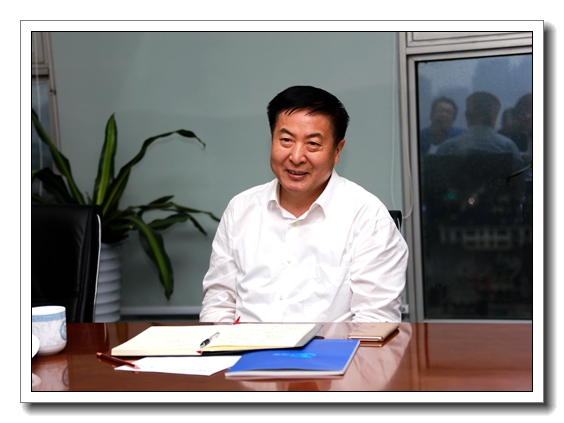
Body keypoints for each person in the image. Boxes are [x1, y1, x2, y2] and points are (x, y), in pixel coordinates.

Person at [200, 85, 408, 323]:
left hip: (331, 347)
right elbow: (219, 302)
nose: (297, 157)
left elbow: (375, 321)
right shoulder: (240, 209)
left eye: (313, 144)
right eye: (286, 140)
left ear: (337, 151)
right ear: (272, 139)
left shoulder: (368, 218)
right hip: (244, 347)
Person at [435, 91, 524, 171]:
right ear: (494, 117)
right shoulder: (508, 147)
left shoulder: (447, 149)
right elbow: (518, 179)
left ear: (467, 116)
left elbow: (436, 179)